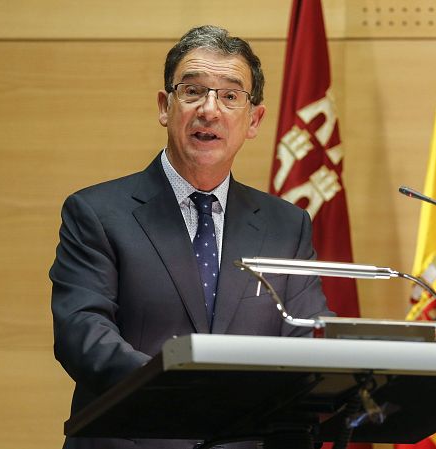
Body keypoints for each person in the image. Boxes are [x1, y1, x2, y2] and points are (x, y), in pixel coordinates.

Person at [50, 25, 332, 449]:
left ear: (254, 120)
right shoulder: (96, 213)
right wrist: (187, 398)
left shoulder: (287, 226)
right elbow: (83, 335)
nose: (209, 110)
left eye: (230, 96)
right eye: (193, 91)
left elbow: (306, 338)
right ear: (165, 106)